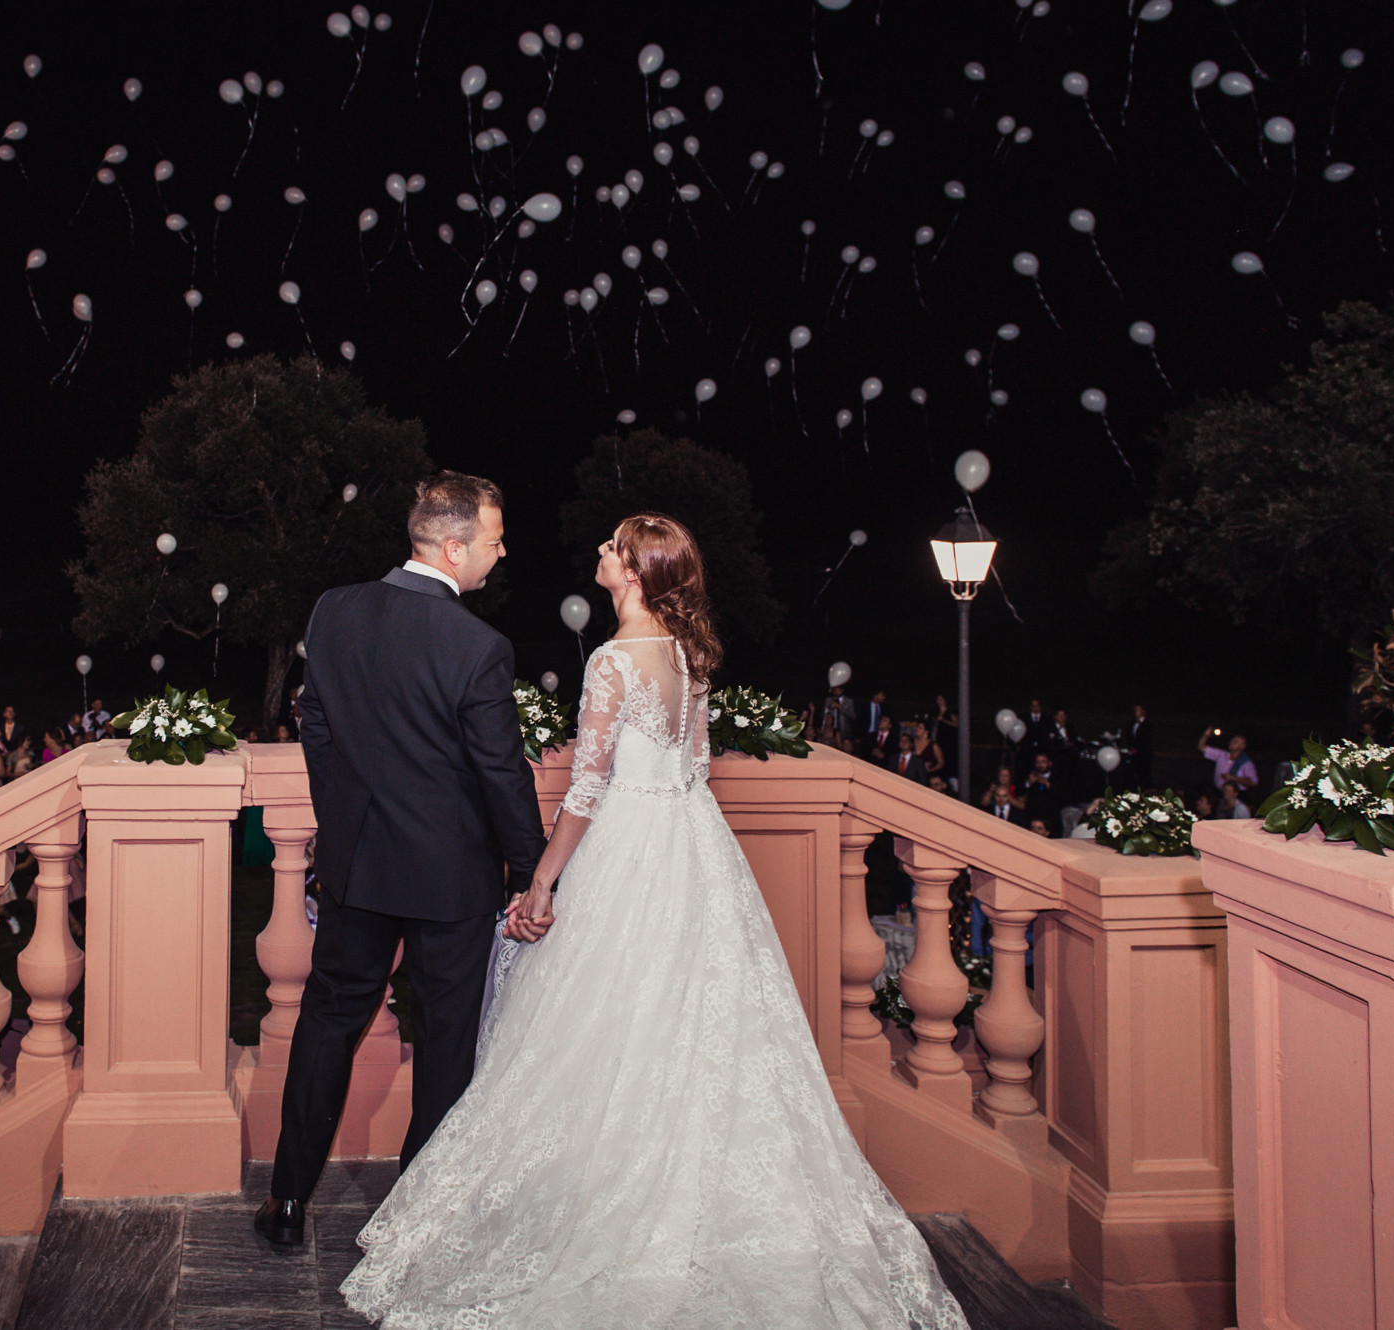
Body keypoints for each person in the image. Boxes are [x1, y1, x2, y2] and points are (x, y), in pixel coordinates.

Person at [339, 512, 968, 1329]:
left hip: (628, 845)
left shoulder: (612, 661)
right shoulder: (687, 654)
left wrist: (542, 882)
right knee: (687, 1027)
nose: (597, 553)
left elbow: (588, 791)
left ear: (633, 571)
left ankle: (612, 1202)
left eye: (610, 548)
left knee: (602, 1029)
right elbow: (696, 767)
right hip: (690, 845)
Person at [258, 471, 548, 1249]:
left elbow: (313, 719)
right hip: (450, 879)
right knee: (446, 1045)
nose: (500, 551)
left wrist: (344, 814)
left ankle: (286, 1202)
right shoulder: (479, 646)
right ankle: (411, 1224)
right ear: (453, 548)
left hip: (357, 866)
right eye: (492, 539)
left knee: (326, 1025)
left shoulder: (336, 610)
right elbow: (500, 772)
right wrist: (533, 868)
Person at [1198, 726, 1258, 793]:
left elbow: (1253, 782)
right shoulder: (1222, 755)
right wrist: (1206, 735)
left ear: (1242, 746)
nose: (1231, 743)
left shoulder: (1246, 763)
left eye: (1235, 742)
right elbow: (1202, 748)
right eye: (1232, 740)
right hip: (1219, 792)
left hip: (1236, 796)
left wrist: (1233, 778)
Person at [815, 682, 857, 753]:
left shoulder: (848, 701)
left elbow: (853, 716)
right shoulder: (828, 700)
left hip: (844, 730)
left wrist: (842, 709)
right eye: (835, 690)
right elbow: (823, 715)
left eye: (839, 690)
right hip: (831, 730)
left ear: (842, 690)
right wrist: (829, 707)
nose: (837, 692)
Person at [1126, 704, 1156, 788]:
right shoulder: (1132, 723)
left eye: (1138, 710)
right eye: (1135, 710)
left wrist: (1138, 749)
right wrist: (1131, 748)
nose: (1135, 712)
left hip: (1144, 755)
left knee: (1145, 775)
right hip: (1134, 754)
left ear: (1143, 711)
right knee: (1134, 775)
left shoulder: (1149, 725)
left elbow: (1147, 740)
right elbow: (1130, 738)